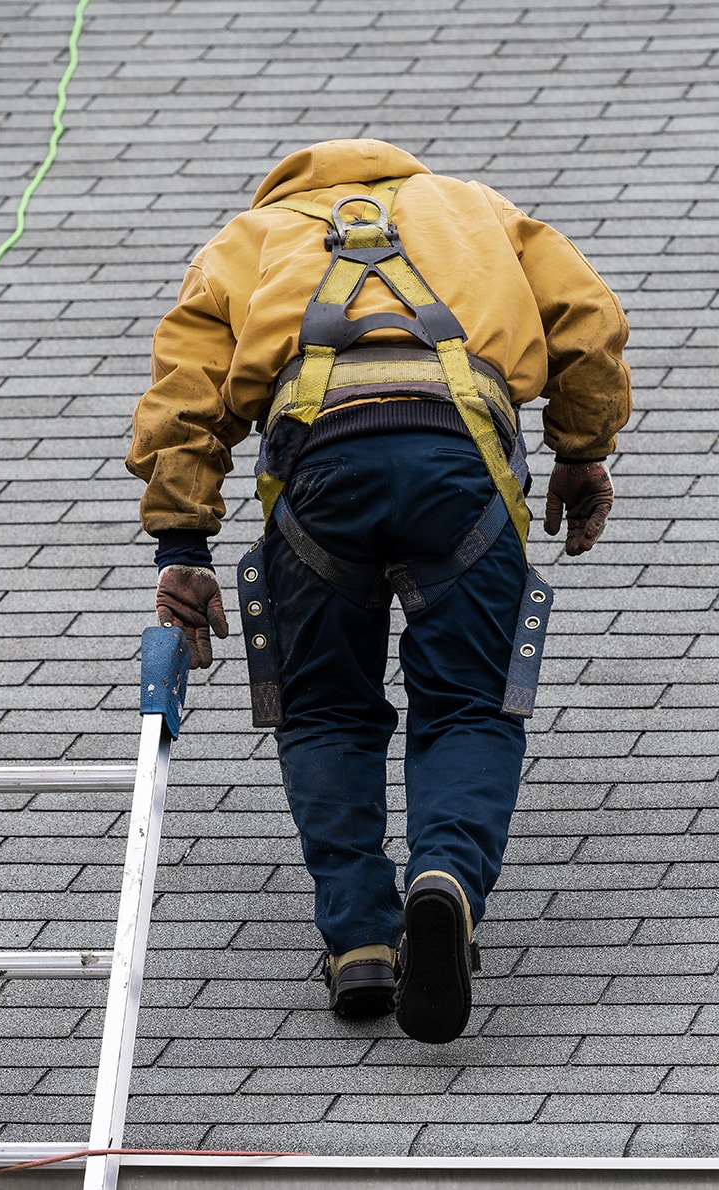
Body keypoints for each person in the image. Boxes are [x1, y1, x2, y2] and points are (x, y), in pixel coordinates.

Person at [126, 138, 631, 1044]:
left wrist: (183, 542)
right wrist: (582, 451)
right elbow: (587, 319)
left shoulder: (254, 234)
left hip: (320, 474)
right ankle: (445, 881)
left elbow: (185, 393)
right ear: (402, 173)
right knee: (470, 704)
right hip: (459, 464)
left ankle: (360, 936)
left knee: (325, 709)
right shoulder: (476, 211)